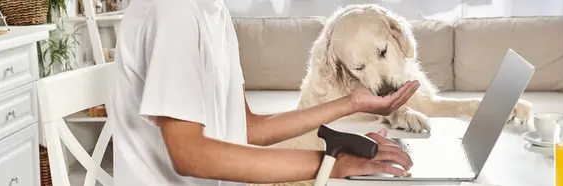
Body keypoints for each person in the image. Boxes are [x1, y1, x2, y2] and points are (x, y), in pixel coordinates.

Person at [109, 0, 420, 185]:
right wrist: (329, 162)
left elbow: (245, 128)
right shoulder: (173, 11)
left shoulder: (213, 11)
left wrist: (351, 103)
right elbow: (189, 154)